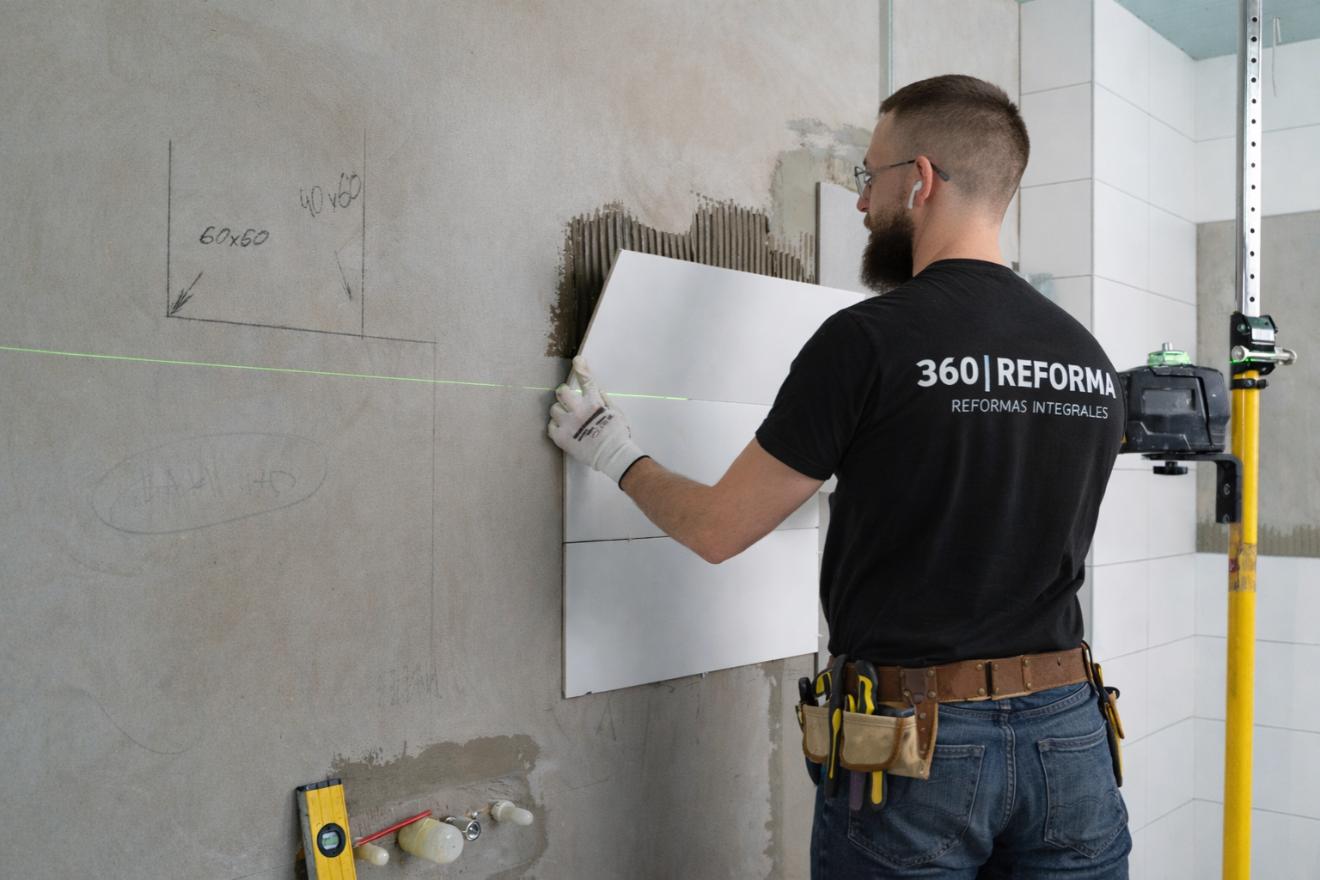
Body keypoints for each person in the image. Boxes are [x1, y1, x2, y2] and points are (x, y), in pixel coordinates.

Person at [548, 74, 1129, 879]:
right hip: (1069, 735)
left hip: (919, 747)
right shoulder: (1090, 363)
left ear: (920, 180)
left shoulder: (870, 341)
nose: (861, 202)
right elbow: (994, 497)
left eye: (870, 176)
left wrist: (613, 451)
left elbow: (719, 530)